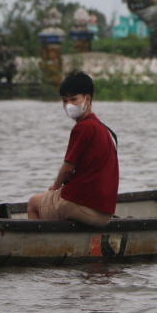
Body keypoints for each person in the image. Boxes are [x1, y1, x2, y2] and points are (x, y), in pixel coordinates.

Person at [27, 71, 119, 227]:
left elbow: (68, 167)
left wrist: (55, 186)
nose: (68, 105)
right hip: (104, 212)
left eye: (74, 99)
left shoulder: (83, 128)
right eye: (64, 100)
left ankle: (39, 248)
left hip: (82, 207)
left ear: (87, 98)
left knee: (33, 204)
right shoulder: (104, 129)